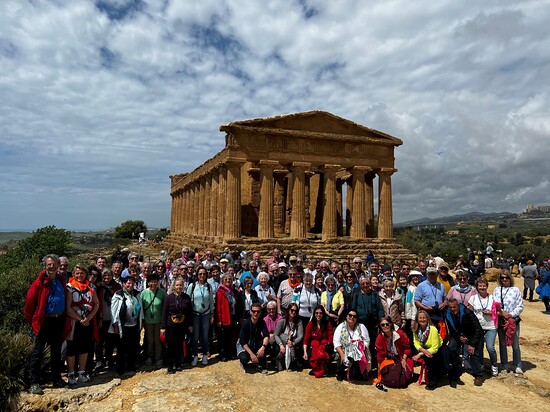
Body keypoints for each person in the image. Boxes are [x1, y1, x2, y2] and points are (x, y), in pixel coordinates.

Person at [24, 255, 67, 394]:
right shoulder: (39, 283)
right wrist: (33, 320)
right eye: (49, 264)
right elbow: (29, 304)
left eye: (54, 264)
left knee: (56, 351)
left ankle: (56, 379)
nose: (52, 267)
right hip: (45, 321)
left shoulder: (61, 280)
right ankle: (34, 382)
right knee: (38, 351)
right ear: (45, 266)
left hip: (58, 320)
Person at [65, 264, 99, 385]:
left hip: (86, 322)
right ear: (73, 274)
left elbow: (96, 304)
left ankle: (82, 372)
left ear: (86, 275)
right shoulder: (69, 288)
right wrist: (80, 319)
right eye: (77, 273)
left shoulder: (90, 288)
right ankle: (71, 373)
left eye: (82, 273)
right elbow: (68, 308)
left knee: (84, 347)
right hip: (74, 322)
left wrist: (88, 318)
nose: (79, 275)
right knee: (72, 348)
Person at [445, 298, 484, 387]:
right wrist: (459, 337)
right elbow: (451, 330)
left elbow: (477, 328)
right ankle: (454, 369)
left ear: (458, 306)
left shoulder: (467, 312)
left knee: (473, 352)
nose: (452, 309)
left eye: (454, 307)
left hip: (473, 335)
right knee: (450, 349)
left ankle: (478, 375)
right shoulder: (448, 315)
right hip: (459, 336)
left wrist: (472, 344)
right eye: (450, 307)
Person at [109, 275, 142, 375]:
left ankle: (131, 365)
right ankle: (120, 367)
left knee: (133, 346)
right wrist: (115, 324)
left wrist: (142, 322)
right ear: (123, 284)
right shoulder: (118, 295)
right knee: (122, 347)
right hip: (122, 326)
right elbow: (114, 311)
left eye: (132, 283)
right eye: (128, 283)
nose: (130, 285)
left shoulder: (137, 294)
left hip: (134, 325)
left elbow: (141, 309)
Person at [493, 270, 524, 374]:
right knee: (502, 343)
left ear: (510, 278)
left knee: (515, 344)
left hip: (512, 320)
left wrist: (510, 315)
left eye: (506, 277)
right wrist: (502, 313)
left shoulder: (515, 290)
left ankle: (517, 364)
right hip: (501, 320)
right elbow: (494, 305)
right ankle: (505, 364)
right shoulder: (497, 290)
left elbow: (520, 306)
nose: (504, 279)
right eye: (502, 277)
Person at [161, 277, 193, 373]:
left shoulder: (186, 297)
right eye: (177, 285)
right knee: (171, 345)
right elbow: (164, 313)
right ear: (174, 286)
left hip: (182, 325)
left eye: (181, 285)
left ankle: (178, 363)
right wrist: (163, 327)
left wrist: (190, 325)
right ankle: (170, 365)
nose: (179, 287)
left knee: (179, 344)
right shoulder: (169, 298)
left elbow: (189, 313)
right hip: (171, 325)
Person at [467, 278, 499, 376]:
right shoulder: (473, 298)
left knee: (490, 347)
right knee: (479, 348)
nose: (482, 287)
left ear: (487, 286)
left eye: (484, 285)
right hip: (478, 327)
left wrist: (492, 312)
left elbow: (499, 311)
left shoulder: (493, 298)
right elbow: (469, 310)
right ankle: (480, 364)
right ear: (477, 287)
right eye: (480, 286)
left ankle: (494, 365)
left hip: (491, 326)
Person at [352, 276, 384, 370]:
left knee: (374, 343)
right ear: (360, 285)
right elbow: (353, 309)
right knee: (362, 343)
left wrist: (380, 321)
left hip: (373, 324)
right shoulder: (356, 295)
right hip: (361, 324)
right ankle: (362, 364)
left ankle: (374, 364)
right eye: (363, 284)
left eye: (367, 283)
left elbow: (380, 309)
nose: (365, 285)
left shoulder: (374, 294)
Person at [374, 317, 413, 388]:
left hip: (401, 356)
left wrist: (403, 360)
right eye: (382, 325)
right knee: (390, 375)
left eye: (387, 324)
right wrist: (380, 370)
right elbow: (380, 355)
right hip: (389, 359)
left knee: (407, 374)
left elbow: (407, 348)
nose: (385, 326)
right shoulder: (380, 338)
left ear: (391, 324)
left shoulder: (400, 334)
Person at [187, 266, 214, 366]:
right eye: (200, 274)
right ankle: (195, 356)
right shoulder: (192, 286)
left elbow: (211, 301)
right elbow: (188, 301)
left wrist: (212, 315)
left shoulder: (208, 286)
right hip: (195, 314)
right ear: (197, 275)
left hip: (206, 314)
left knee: (205, 336)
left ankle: (205, 356)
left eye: (204, 274)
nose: (202, 276)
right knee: (195, 336)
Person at [333, 309, 370, 382]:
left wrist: (359, 348)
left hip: (359, 354)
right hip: (344, 352)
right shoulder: (341, 326)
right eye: (350, 315)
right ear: (346, 316)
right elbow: (336, 342)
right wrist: (342, 354)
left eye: (354, 316)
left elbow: (366, 341)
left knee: (358, 376)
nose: (352, 318)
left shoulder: (361, 327)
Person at [411, 310, 444, 390]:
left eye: (424, 318)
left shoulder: (433, 329)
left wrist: (420, 354)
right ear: (417, 320)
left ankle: (432, 380)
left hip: (437, 349)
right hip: (423, 348)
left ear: (428, 319)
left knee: (430, 358)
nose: (422, 320)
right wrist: (423, 351)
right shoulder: (415, 329)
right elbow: (415, 343)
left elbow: (435, 347)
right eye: (420, 318)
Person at [140, 274, 167, 369]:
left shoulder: (162, 293)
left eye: (155, 281)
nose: (153, 283)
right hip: (147, 321)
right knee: (149, 340)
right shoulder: (143, 293)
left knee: (158, 340)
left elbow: (166, 306)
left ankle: (158, 358)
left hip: (159, 321)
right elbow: (141, 308)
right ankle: (149, 356)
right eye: (151, 281)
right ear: (148, 282)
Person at [96, 269, 121, 370]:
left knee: (111, 340)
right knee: (99, 340)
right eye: (105, 276)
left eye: (109, 276)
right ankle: (99, 360)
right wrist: (100, 317)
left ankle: (109, 359)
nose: (107, 278)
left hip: (113, 317)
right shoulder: (98, 286)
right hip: (102, 317)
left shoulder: (117, 286)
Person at [237, 302, 270, 373]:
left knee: (267, 346)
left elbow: (266, 336)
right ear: (250, 312)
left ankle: (260, 362)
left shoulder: (262, 322)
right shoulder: (245, 323)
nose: (256, 313)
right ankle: (245, 361)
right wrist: (252, 354)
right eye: (254, 311)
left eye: (258, 311)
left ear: (260, 312)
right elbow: (242, 341)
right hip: (245, 346)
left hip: (256, 343)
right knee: (244, 358)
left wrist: (263, 348)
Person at [303, 305, 334, 377]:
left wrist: (326, 347)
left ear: (323, 314)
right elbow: (306, 339)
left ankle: (323, 367)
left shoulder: (327, 323)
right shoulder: (310, 324)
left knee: (322, 353)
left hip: (325, 346)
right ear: (314, 314)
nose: (318, 315)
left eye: (320, 313)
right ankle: (316, 367)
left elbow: (330, 337)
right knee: (314, 347)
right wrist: (305, 352)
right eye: (317, 313)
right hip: (314, 346)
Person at [215, 274, 239, 361]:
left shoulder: (233, 291)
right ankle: (222, 354)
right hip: (224, 317)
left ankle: (230, 353)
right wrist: (219, 319)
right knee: (223, 337)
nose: (228, 281)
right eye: (226, 280)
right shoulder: (220, 292)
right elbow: (218, 307)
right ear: (223, 281)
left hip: (232, 316)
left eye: (229, 279)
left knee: (230, 336)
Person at [274, 302, 304, 371]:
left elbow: (300, 335)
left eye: (295, 311)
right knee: (276, 347)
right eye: (292, 310)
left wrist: (293, 343)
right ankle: (279, 360)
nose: (293, 312)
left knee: (298, 347)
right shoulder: (282, 321)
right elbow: (276, 334)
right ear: (288, 310)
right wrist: (281, 344)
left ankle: (293, 361)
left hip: (293, 342)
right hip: (282, 342)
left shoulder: (299, 322)